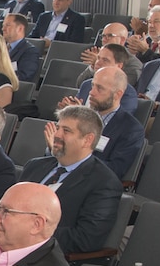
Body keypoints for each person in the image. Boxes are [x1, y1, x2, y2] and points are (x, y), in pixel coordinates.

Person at [22, 105, 123, 255]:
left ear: (88, 140)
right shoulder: (34, 166)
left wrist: (28, 232)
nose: (57, 134)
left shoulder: (104, 183)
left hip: (47, 255)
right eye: (58, 128)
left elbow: (85, 239)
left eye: (66, 131)